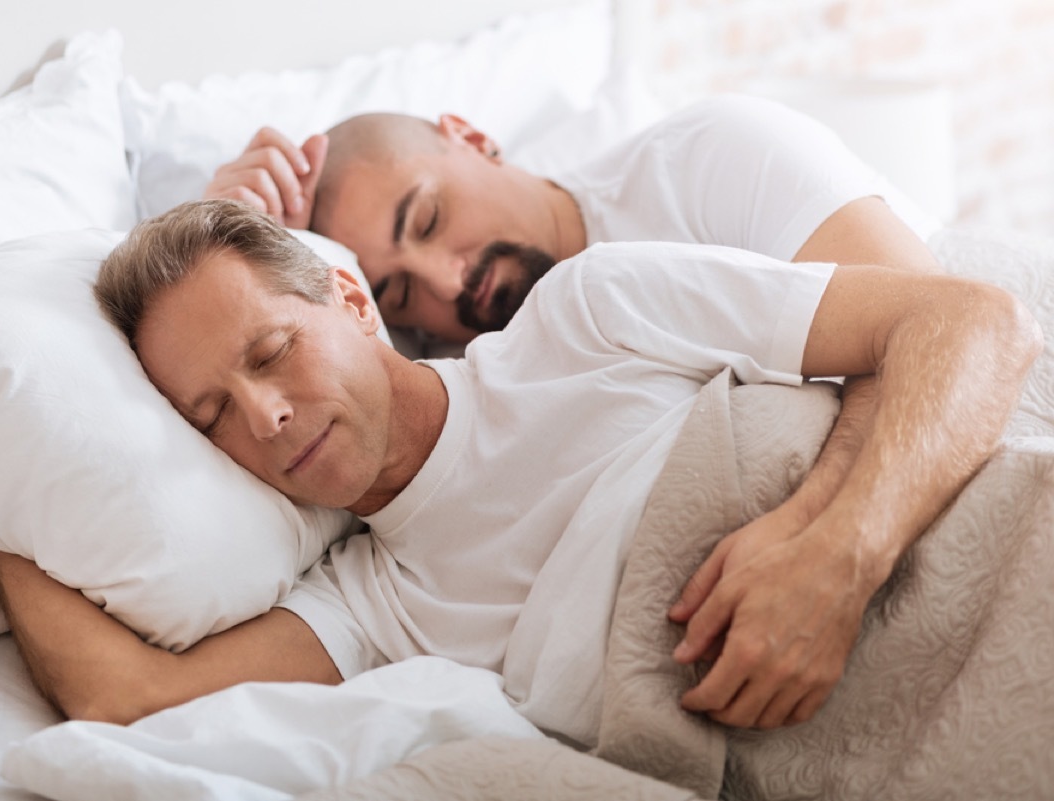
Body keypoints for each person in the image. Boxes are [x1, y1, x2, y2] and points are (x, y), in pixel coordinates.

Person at [0, 199, 1039, 747]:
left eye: (271, 353)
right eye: (210, 415)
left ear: (351, 304)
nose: (265, 416)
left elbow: (966, 317)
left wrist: (836, 553)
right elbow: (127, 698)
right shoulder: (377, 604)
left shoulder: (592, 314)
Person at [199, 95, 944, 729]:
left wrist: (824, 541)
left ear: (469, 136)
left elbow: (930, 325)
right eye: (399, 293)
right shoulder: (460, 364)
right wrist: (244, 243)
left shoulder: (706, 160)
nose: (450, 281)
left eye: (426, 219)